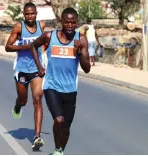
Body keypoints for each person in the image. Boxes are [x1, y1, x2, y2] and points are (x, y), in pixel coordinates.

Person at [30, 7, 91, 155]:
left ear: (76, 23)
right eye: (67, 22)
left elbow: (87, 68)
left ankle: (60, 150)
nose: (70, 26)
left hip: (70, 89)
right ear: (61, 22)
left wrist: (80, 52)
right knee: (58, 120)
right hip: (52, 86)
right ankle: (58, 149)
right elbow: (33, 46)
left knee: (66, 127)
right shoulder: (49, 37)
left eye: (73, 23)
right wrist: (39, 66)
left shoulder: (81, 39)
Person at [5, 2, 46, 150]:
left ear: (36, 13)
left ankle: (37, 137)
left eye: (32, 13)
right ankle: (17, 106)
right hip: (22, 69)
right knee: (23, 100)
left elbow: (46, 42)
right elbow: (7, 47)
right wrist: (25, 47)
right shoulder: (18, 27)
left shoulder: (42, 26)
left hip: (36, 69)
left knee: (37, 99)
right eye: (27, 14)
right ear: (24, 14)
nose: (30, 16)